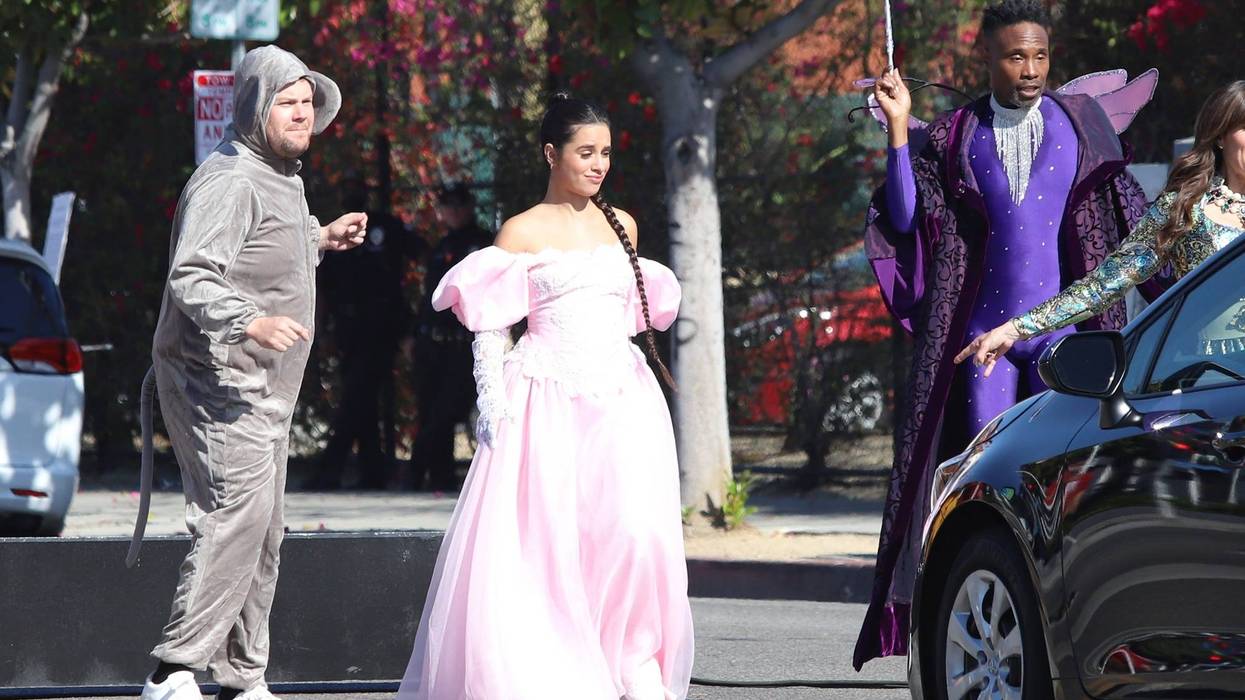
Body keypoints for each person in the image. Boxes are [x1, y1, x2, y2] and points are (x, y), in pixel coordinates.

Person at [856, 0, 1157, 669]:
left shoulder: (1082, 124)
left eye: (1040, 55)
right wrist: (900, 130)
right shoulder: (954, 134)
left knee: (1066, 496)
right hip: (977, 347)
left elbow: (1138, 229)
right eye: (1015, 56)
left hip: (1061, 345)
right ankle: (956, 633)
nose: (1029, 69)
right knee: (972, 498)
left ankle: (1076, 638)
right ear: (986, 58)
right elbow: (905, 219)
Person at [397, 94, 694, 699]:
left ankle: (632, 659)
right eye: (586, 152)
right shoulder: (522, 230)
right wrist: (492, 401)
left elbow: (634, 313)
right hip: (545, 399)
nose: (598, 164)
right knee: (553, 539)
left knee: (635, 532)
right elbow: (491, 321)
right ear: (551, 153)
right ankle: (559, 671)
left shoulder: (623, 225)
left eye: (606, 153)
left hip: (621, 399)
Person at [135, 46, 367, 700]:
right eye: (287, 103)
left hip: (263, 390)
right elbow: (193, 274)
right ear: (252, 109)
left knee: (262, 531)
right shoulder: (232, 177)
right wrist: (249, 321)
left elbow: (260, 251)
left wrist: (319, 239)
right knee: (234, 518)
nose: (302, 114)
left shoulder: (279, 177)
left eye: (307, 103)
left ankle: (241, 676)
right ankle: (172, 668)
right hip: (217, 383)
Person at [959, 81, 1245, 369]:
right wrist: (1015, 329)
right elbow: (1102, 286)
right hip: (1214, 378)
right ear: (1221, 137)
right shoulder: (1183, 209)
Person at [309, 183, 421, 491]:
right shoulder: (335, 233)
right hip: (349, 328)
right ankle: (373, 470)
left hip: (381, 327)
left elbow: (416, 254)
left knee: (358, 396)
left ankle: (331, 469)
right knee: (363, 400)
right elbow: (324, 287)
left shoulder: (385, 227)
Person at [408, 184, 493, 491]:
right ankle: (438, 474)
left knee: (446, 410)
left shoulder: (481, 243)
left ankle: (414, 472)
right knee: (429, 408)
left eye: (459, 206)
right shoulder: (442, 244)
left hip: (461, 341)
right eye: (448, 207)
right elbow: (430, 297)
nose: (453, 212)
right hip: (433, 341)